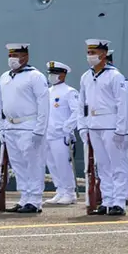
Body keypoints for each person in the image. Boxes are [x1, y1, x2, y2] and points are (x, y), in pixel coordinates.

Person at [79, 39, 128, 216]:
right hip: (94, 125)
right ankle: (108, 200)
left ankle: (119, 201)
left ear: (103, 54)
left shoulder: (115, 76)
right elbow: (82, 105)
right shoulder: (86, 77)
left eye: (93, 52)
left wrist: (122, 129)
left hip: (111, 126)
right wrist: (83, 126)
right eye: (88, 52)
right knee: (102, 166)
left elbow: (123, 104)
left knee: (118, 164)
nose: (90, 56)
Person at [0, 44, 49, 214]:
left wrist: (40, 129)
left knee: (32, 163)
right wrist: (1, 127)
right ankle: (24, 197)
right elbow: (0, 103)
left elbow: (43, 104)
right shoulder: (4, 77)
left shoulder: (35, 76)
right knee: (18, 164)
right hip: (10, 125)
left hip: (28, 125)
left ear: (25, 57)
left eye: (16, 54)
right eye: (10, 54)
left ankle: (34, 200)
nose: (12, 58)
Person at [45, 61, 80, 205]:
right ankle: (60, 190)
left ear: (63, 74)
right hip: (48, 133)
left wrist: (67, 127)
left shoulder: (69, 92)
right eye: (50, 74)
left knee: (63, 164)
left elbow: (77, 111)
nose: (52, 76)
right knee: (52, 164)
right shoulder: (47, 92)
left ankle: (69, 193)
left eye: (55, 74)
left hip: (61, 135)